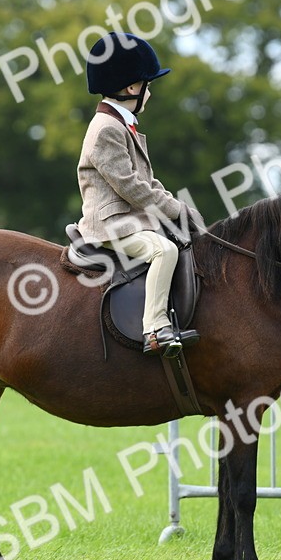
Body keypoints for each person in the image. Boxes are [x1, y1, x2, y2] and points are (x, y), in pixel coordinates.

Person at [76, 32, 198, 357]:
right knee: (164, 251)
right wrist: (173, 210)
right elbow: (132, 188)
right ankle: (155, 328)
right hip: (110, 224)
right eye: (148, 84)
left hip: (129, 219)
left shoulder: (121, 125)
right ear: (132, 88)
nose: (150, 92)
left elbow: (150, 182)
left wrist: (178, 207)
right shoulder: (106, 130)